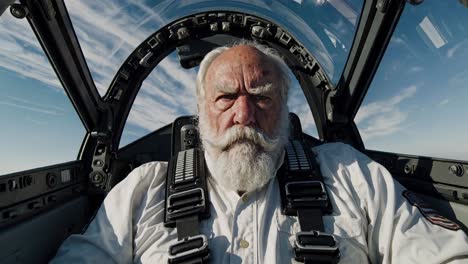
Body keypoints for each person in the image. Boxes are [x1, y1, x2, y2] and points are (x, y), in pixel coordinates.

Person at [51, 42, 468, 263]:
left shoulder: (351, 174)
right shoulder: (143, 189)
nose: (244, 113)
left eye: (263, 97)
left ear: (285, 112)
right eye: (226, 97)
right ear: (201, 113)